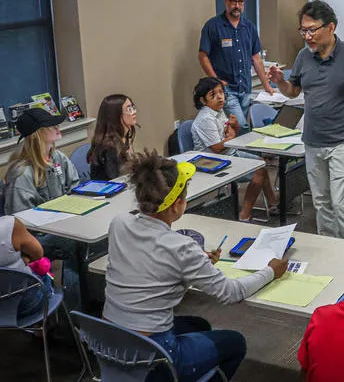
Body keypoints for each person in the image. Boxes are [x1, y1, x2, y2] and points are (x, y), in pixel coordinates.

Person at [103, 150, 288, 381]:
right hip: (153, 354)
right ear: (176, 205)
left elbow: (150, 265)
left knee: (198, 324)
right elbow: (232, 293)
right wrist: (271, 271)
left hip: (109, 341)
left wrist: (194, 263)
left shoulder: (119, 223)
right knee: (236, 342)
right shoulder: (181, 248)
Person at [267, 0, 344, 240]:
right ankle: (329, 250)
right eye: (303, 30)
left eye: (313, 30)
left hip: (343, 141)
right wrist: (280, 81)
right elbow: (294, 92)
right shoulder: (303, 56)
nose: (307, 36)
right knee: (321, 203)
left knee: (342, 205)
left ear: (331, 28)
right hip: (313, 141)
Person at [3, 108, 82, 309]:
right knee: (75, 245)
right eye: (51, 125)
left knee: (84, 244)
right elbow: (20, 224)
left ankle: (85, 302)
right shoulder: (22, 174)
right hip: (36, 239)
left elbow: (76, 189)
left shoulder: (59, 158)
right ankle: (73, 316)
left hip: (66, 223)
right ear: (38, 134)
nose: (57, 127)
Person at [191, 77, 278, 222]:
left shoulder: (218, 111)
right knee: (259, 170)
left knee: (261, 163)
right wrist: (231, 135)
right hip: (212, 161)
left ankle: (272, 203)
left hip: (228, 153)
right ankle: (244, 214)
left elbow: (229, 136)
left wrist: (235, 126)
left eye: (221, 92)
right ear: (203, 100)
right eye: (213, 94)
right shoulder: (206, 118)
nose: (220, 97)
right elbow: (218, 147)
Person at [198, 0, 274, 132]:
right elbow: (202, 56)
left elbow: (256, 58)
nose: (237, 5)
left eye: (240, 2)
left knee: (236, 126)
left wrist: (266, 85)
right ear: (226, 2)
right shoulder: (213, 26)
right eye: (233, 1)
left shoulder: (249, 27)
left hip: (245, 87)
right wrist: (216, 80)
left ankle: (237, 153)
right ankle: (248, 155)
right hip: (226, 89)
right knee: (242, 126)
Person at [0, 215, 54, 318]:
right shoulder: (10, 225)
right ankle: (46, 328)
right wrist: (23, 257)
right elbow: (38, 254)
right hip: (26, 306)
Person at [87, 94, 138, 180]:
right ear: (115, 115)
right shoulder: (109, 146)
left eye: (133, 107)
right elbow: (115, 179)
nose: (134, 112)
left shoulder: (124, 137)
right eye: (129, 109)